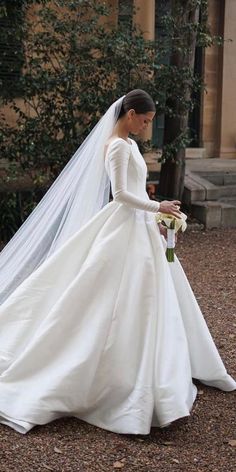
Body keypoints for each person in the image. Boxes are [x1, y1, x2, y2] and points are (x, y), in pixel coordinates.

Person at [0, 90, 235, 435]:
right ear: (130, 114)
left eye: (150, 122)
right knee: (112, 295)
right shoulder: (116, 146)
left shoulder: (131, 146)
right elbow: (121, 195)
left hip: (139, 227)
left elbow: (136, 192)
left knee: (153, 297)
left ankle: (161, 371)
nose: (146, 126)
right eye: (145, 119)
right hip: (123, 227)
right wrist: (159, 209)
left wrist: (157, 215)